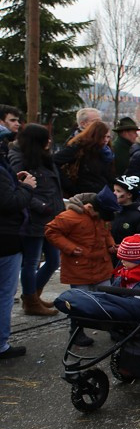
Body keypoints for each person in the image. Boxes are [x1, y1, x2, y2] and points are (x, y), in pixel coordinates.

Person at [44, 188, 120, 347]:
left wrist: (111, 245)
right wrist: (69, 247)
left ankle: (113, 327)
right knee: (80, 302)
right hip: (79, 267)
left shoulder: (102, 215)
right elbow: (51, 231)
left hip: (102, 265)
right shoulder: (69, 217)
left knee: (108, 298)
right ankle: (77, 332)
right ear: (90, 208)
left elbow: (106, 233)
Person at [9, 124, 63, 316]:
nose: (49, 141)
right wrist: (40, 206)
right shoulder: (19, 158)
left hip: (51, 219)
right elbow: (17, 187)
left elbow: (54, 188)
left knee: (54, 260)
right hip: (32, 220)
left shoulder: (45, 158)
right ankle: (31, 300)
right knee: (31, 263)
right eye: (45, 138)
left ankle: (33, 295)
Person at [54, 233, 140, 323]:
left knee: (102, 303)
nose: (122, 262)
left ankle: (78, 301)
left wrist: (125, 277)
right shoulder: (130, 268)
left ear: (138, 260)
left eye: (126, 260)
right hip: (127, 297)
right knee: (97, 298)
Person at [0, 132, 35, 359]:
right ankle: (1, 345)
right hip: (6, 239)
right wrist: (27, 187)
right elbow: (10, 203)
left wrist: (15, 180)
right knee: (4, 293)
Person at [54, 120, 114, 197]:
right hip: (82, 194)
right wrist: (69, 186)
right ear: (94, 135)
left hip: (101, 194)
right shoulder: (79, 148)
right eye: (102, 137)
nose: (106, 140)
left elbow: (108, 175)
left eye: (108, 137)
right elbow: (54, 162)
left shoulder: (107, 153)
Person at [111, 175, 140, 241]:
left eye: (118, 191)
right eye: (114, 190)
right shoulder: (113, 211)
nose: (114, 193)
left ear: (129, 195)